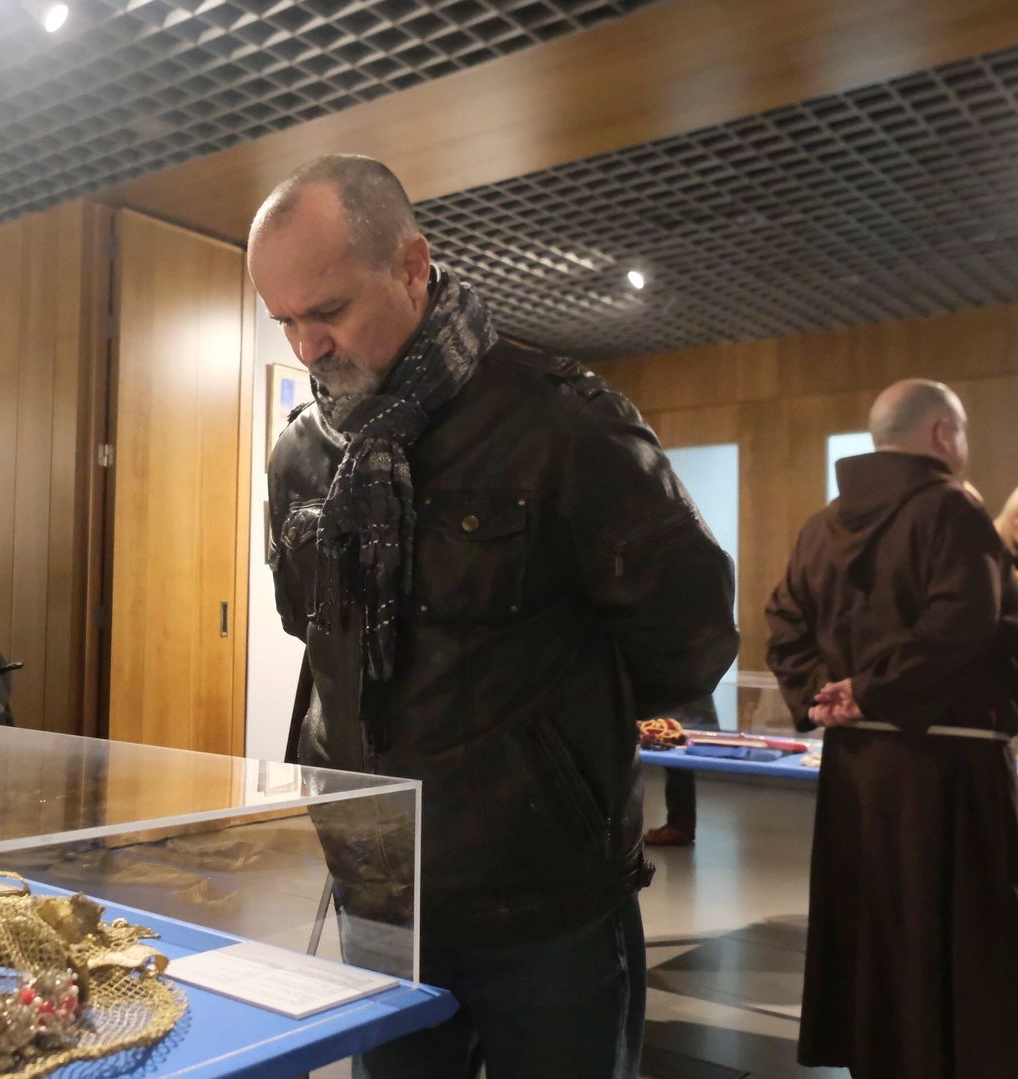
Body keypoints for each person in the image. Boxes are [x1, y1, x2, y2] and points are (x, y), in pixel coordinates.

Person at [253, 155, 738, 1079]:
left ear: (410, 265)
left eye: (329, 311)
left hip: (544, 901)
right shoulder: (302, 456)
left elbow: (692, 634)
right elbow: (309, 629)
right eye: (284, 321)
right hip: (381, 891)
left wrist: (550, 751)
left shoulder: (565, 425)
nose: (308, 347)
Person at [766, 379, 1018, 1079]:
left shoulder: (821, 524)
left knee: (876, 924)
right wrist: (872, 689)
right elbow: (963, 620)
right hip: (946, 771)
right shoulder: (954, 510)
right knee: (954, 931)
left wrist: (828, 693)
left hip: (856, 770)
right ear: (943, 434)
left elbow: (782, 623)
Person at [641, 693, 720, 847]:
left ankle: (679, 827)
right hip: (685, 691)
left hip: (680, 694)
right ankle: (679, 825)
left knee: (675, 752)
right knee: (675, 755)